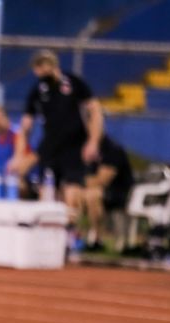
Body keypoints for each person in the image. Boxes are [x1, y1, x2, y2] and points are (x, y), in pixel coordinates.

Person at [9, 49, 104, 235]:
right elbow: (26, 125)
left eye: (44, 67)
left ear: (53, 65)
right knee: (48, 192)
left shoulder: (73, 83)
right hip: (50, 147)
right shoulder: (38, 90)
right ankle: (48, 234)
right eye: (37, 69)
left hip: (74, 146)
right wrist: (19, 155)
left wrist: (93, 141)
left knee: (72, 192)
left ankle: (71, 236)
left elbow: (95, 110)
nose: (41, 72)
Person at [85, 135, 134, 251]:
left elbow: (103, 179)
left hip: (120, 193)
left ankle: (97, 239)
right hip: (100, 191)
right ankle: (72, 240)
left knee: (92, 195)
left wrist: (81, 181)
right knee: (78, 193)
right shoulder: (82, 148)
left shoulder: (112, 149)